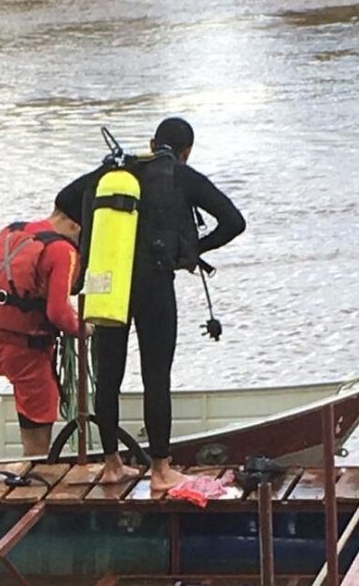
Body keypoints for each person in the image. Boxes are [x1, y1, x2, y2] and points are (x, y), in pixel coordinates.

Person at [55, 117, 245, 490]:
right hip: (154, 282)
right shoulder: (180, 175)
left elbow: (64, 199)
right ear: (186, 151)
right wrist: (190, 251)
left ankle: (111, 464)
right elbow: (233, 222)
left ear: (151, 141)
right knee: (156, 376)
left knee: (107, 377)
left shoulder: (112, 170)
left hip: (107, 281)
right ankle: (161, 470)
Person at [0, 205, 89, 458]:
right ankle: (32, 471)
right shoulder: (62, 250)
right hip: (28, 351)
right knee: (38, 425)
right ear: (75, 225)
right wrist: (84, 328)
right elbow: (58, 312)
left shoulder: (12, 231)